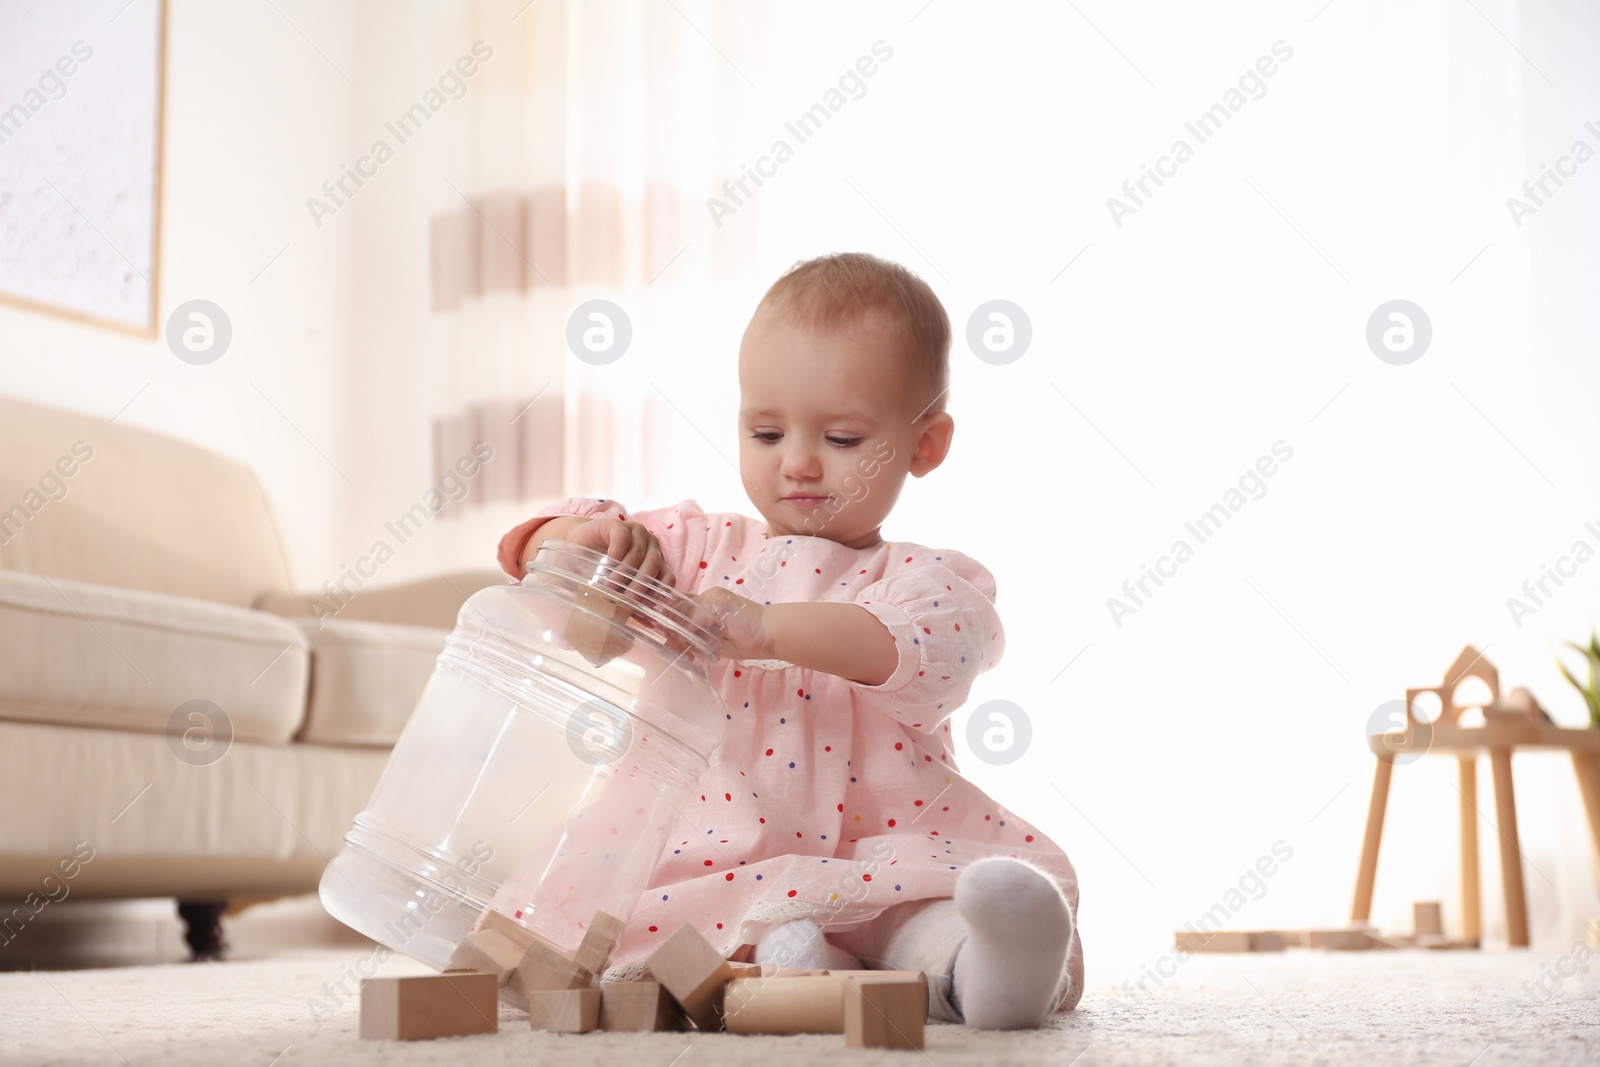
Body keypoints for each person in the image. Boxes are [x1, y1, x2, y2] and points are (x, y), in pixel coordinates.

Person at [495, 252, 1081, 1029]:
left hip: (879, 847)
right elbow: (540, 570)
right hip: (712, 851)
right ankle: (799, 964)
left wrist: (766, 628)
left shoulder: (923, 580)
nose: (798, 461)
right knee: (681, 923)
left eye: (841, 438)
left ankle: (986, 968)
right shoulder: (695, 552)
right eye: (766, 431)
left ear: (925, 445)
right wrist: (584, 539)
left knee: (919, 906)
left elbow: (915, 647)